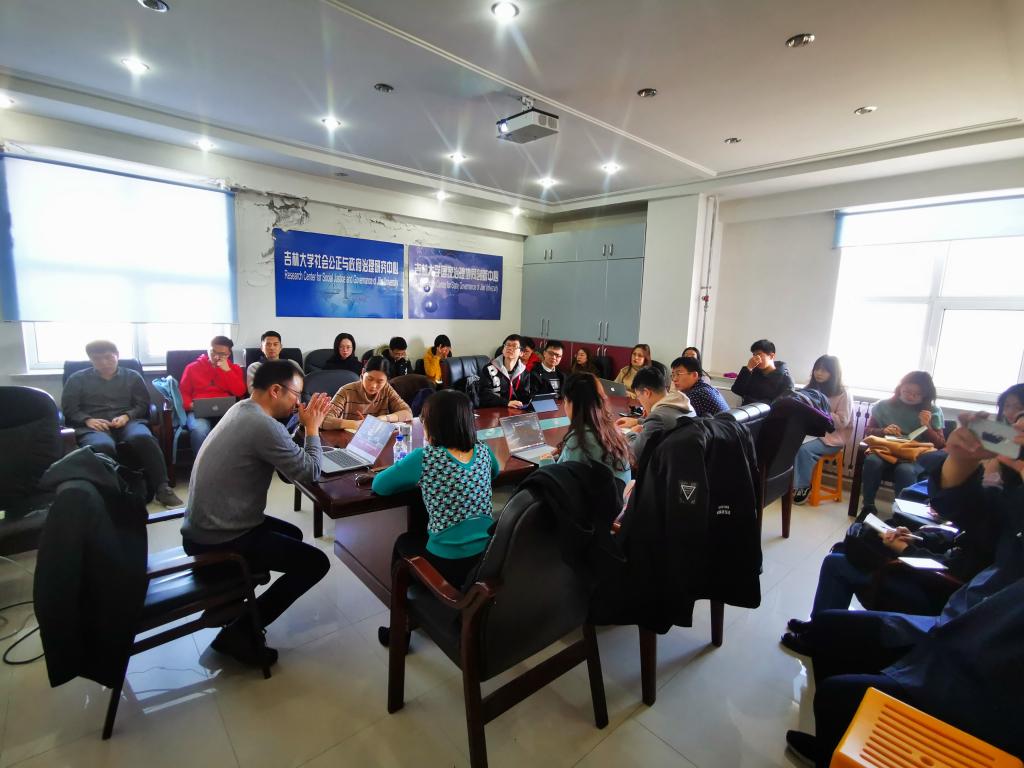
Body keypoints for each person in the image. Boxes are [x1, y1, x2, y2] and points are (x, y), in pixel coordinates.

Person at [782, 413, 1024, 766]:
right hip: (956, 620)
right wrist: (962, 458)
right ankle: (835, 742)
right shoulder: (1011, 499)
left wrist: (913, 551)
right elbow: (968, 514)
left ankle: (839, 748)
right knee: (832, 627)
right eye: (1014, 424)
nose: (1015, 433)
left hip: (980, 666)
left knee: (837, 694)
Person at [181, 360, 333, 667]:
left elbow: (285, 457)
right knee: (316, 563)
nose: (297, 403)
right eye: (296, 395)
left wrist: (303, 427)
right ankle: (241, 631)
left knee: (293, 534)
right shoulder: (262, 425)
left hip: (205, 526)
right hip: (219, 538)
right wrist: (313, 429)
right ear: (276, 390)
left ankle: (236, 601)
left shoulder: (243, 410)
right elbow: (309, 472)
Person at [372, 389, 498, 587]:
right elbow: (494, 473)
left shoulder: (425, 457)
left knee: (404, 542)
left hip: (447, 562)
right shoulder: (484, 449)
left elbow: (380, 486)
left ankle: (404, 603)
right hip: (486, 556)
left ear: (431, 424)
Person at [61, 340, 183, 507]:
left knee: (143, 438)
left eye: (108, 357)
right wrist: (87, 420)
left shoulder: (132, 376)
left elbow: (143, 404)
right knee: (102, 446)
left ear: (117, 355)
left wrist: (127, 416)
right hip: (94, 425)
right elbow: (69, 409)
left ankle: (162, 488)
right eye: (97, 359)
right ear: (90, 359)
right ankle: (115, 491)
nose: (104, 363)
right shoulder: (77, 379)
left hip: (128, 422)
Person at [860, 371, 946, 514]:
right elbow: (869, 430)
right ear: (900, 388)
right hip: (886, 450)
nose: (910, 396)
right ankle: (868, 505)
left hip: (915, 455)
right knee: (872, 461)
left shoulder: (932, 411)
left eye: (917, 394)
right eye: (907, 391)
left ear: (925, 395)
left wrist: (927, 426)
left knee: (905, 470)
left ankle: (902, 512)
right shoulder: (883, 405)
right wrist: (883, 430)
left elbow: (940, 444)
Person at [550, 373, 632, 488]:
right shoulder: (613, 430)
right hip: (620, 497)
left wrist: (546, 461)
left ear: (571, 402)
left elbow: (559, 485)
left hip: (596, 499)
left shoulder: (579, 440)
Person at [792, 355, 854, 504]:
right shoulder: (810, 389)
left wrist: (821, 410)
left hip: (832, 438)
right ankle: (786, 483)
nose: (819, 373)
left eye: (824, 370)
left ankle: (802, 486)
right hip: (810, 433)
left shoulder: (843, 393)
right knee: (786, 442)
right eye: (817, 369)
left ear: (834, 373)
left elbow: (842, 422)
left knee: (804, 450)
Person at [180, 335, 248, 456]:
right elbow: (183, 393)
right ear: (208, 349)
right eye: (213, 352)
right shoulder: (192, 368)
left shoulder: (234, 369)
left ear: (228, 354)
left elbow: (240, 392)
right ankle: (201, 465)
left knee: (235, 429)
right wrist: (190, 405)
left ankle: (229, 463)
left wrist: (227, 372)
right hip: (198, 411)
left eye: (222, 354)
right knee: (199, 430)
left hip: (225, 412)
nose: (216, 357)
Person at [615, 366, 693, 461]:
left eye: (638, 396)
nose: (640, 401)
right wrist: (638, 421)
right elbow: (667, 421)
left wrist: (632, 433)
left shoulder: (657, 417)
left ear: (647, 393)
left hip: (662, 467)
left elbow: (634, 454)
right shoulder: (683, 402)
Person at [323, 356, 412, 430]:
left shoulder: (386, 389)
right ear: (362, 372)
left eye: (380, 381)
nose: (373, 385)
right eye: (369, 379)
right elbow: (324, 420)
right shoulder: (346, 391)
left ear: (386, 381)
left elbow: (407, 413)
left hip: (377, 439)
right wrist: (354, 424)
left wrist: (383, 418)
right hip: (351, 440)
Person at [730, 339, 795, 405]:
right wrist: (748, 369)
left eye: (759, 354)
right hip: (746, 409)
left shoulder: (786, 379)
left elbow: (782, 405)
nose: (756, 358)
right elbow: (737, 390)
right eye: (754, 355)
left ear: (772, 356)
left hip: (766, 411)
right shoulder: (752, 372)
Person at [479, 334, 532, 408]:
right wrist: (506, 403)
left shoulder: (524, 372)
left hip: (514, 410)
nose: (510, 348)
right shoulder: (489, 368)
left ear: (521, 353)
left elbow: (524, 395)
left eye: (514, 346)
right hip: (492, 409)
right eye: (507, 345)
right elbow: (484, 395)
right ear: (503, 349)